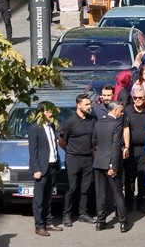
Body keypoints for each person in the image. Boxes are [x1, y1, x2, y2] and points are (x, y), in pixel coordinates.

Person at [59, 94, 96, 225]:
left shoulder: (92, 119)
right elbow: (62, 141)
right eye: (86, 104)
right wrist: (70, 151)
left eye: (89, 104)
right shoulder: (70, 122)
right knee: (71, 187)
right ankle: (66, 215)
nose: (89, 106)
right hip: (73, 158)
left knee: (85, 188)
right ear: (78, 105)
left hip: (88, 159)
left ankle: (83, 213)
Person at [93, 101, 129, 232]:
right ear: (115, 110)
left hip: (98, 162)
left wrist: (99, 158)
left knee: (100, 194)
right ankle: (123, 221)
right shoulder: (116, 125)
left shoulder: (98, 123)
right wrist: (112, 166)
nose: (122, 113)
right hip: (111, 163)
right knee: (118, 193)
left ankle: (100, 221)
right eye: (121, 110)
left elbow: (94, 142)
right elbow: (115, 147)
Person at [27, 106, 63, 237]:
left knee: (48, 197)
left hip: (52, 165)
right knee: (39, 198)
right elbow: (33, 151)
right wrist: (36, 169)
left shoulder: (51, 126)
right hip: (41, 168)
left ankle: (48, 222)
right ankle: (39, 225)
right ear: (41, 113)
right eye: (48, 111)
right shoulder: (35, 128)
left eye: (51, 111)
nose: (51, 113)